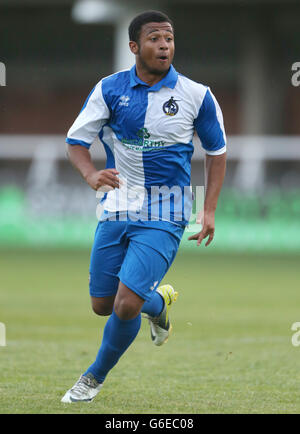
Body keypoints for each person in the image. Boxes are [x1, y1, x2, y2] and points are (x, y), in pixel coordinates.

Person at [61, 10, 226, 403]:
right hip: (117, 204)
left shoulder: (196, 95)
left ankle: (91, 379)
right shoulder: (109, 89)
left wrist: (209, 209)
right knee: (103, 304)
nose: (164, 45)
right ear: (134, 47)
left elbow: (217, 153)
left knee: (125, 303)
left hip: (167, 210)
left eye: (168, 38)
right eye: (154, 38)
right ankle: (159, 303)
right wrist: (90, 176)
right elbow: (75, 141)